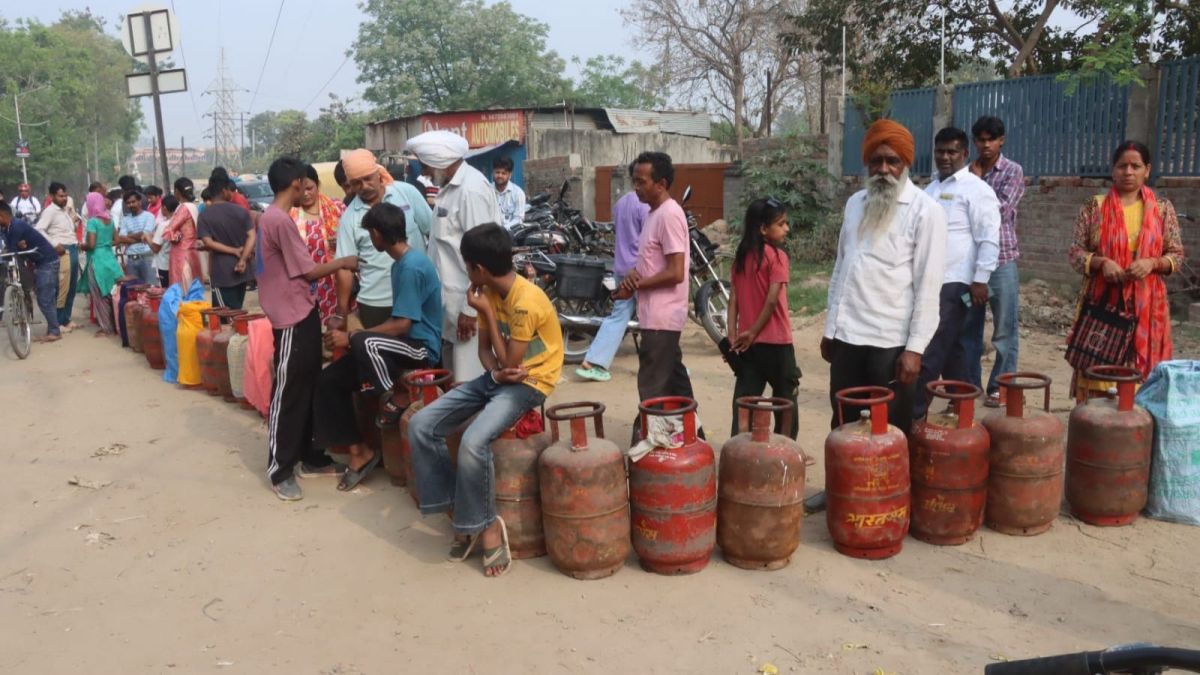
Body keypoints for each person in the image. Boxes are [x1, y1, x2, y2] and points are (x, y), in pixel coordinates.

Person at [409, 223, 563, 578]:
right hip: (499, 378)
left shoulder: (525, 302)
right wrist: (495, 374)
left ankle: (488, 525)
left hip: (531, 383)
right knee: (421, 424)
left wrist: (489, 317)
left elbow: (510, 361)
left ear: (477, 267)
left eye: (466, 265)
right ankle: (462, 513)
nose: (466, 271)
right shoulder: (486, 291)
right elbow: (486, 353)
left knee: (474, 441)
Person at [821, 119, 946, 434]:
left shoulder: (926, 211)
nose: (883, 169)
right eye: (876, 161)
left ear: (905, 163)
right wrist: (830, 328)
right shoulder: (855, 204)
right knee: (844, 427)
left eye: (893, 161)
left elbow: (929, 287)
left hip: (891, 343)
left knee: (889, 432)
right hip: (848, 338)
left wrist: (914, 350)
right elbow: (841, 268)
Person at [315, 202, 443, 491]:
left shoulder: (411, 267)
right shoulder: (400, 265)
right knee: (329, 379)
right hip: (400, 344)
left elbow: (402, 325)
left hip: (421, 349)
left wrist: (351, 337)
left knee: (362, 339)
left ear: (376, 234)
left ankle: (397, 393)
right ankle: (359, 452)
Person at [256, 157, 359, 501]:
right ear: (296, 184)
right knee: (288, 392)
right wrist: (344, 261)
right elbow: (309, 271)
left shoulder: (271, 218)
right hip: (290, 317)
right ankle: (280, 469)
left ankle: (311, 455)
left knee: (310, 385)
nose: (308, 191)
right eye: (305, 184)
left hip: (302, 310)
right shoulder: (279, 221)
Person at [1067, 141, 1184, 400]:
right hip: (1103, 305)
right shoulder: (1094, 207)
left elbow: (1176, 255)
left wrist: (1152, 263)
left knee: (1142, 383)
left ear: (1147, 170)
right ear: (1113, 170)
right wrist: (1101, 262)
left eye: (1135, 166)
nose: (1128, 172)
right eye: (1122, 166)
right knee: (1097, 374)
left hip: (1148, 307)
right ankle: (1095, 420)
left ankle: (1136, 421)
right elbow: (1075, 253)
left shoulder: (1162, 209)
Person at [914, 127, 1001, 420]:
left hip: (957, 282)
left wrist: (981, 280)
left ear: (964, 154)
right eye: (940, 151)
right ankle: (961, 402)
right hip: (928, 280)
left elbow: (988, 238)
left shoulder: (977, 190)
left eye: (952, 152)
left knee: (932, 344)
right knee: (954, 344)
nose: (945, 157)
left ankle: (914, 411)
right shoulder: (929, 190)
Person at [406, 130, 504, 383]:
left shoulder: (470, 190)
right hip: (450, 303)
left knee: (469, 378)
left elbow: (483, 255)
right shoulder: (449, 188)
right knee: (454, 377)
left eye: (425, 165)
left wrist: (469, 310)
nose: (424, 173)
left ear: (440, 161)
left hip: (467, 304)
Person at [616, 152, 697, 409]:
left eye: (641, 182)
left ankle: (650, 431)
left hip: (663, 316)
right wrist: (633, 277)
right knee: (675, 382)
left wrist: (638, 284)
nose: (636, 188)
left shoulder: (669, 215)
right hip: (654, 315)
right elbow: (653, 264)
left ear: (661, 184)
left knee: (652, 386)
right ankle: (693, 429)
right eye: (634, 181)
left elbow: (675, 272)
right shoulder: (654, 213)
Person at [961, 116, 1026, 408]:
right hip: (969, 265)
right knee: (968, 326)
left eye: (992, 140)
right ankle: (969, 385)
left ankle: (1000, 386)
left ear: (1001, 141)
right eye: (981, 140)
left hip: (1001, 263)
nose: (986, 145)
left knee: (1004, 329)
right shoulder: (965, 172)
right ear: (975, 142)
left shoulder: (1012, 171)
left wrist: (975, 184)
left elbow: (999, 211)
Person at [333, 149, 432, 332]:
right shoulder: (349, 218)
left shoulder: (406, 193)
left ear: (378, 173)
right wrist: (341, 313)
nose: (364, 186)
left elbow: (432, 232)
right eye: (356, 183)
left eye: (368, 178)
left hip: (418, 294)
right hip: (377, 302)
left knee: (422, 346)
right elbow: (345, 268)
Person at [727, 197, 800, 438]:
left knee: (744, 402)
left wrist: (733, 336)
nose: (786, 228)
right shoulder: (777, 257)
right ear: (762, 229)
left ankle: (738, 448)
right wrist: (753, 332)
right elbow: (771, 300)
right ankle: (786, 449)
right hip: (777, 343)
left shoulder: (740, 258)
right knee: (785, 401)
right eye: (781, 223)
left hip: (748, 346)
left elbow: (733, 300)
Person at [576, 163, 649, 382]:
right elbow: (649, 241)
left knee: (618, 316)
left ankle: (593, 361)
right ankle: (665, 367)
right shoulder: (646, 206)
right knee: (651, 318)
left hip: (621, 266)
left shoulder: (621, 203)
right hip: (639, 270)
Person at [0, 200, 61, 342]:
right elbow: (10, 247)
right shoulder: (6, 228)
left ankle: (55, 331)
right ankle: (53, 328)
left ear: (2, 215)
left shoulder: (16, 226)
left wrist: (15, 248)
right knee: (45, 297)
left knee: (44, 299)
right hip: (40, 262)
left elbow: (11, 250)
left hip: (47, 262)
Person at [290, 164, 344, 323]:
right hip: (304, 285)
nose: (305, 194)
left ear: (318, 184)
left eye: (309, 188)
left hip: (336, 283)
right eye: (301, 190)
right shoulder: (290, 215)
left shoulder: (336, 209)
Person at [197, 176, 256, 309]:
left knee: (223, 315)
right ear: (224, 191)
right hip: (242, 271)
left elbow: (208, 242)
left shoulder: (205, 215)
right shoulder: (240, 211)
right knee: (237, 309)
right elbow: (252, 236)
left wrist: (233, 251)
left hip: (221, 272)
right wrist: (243, 259)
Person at [34, 182, 79, 330]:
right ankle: (58, 322)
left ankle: (66, 319)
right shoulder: (50, 211)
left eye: (65, 195)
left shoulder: (64, 210)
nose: (64, 198)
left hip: (72, 247)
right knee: (62, 287)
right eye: (60, 196)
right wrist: (54, 244)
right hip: (62, 250)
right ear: (52, 196)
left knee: (72, 287)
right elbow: (39, 229)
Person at [79, 192, 124, 337]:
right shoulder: (109, 220)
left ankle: (106, 327)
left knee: (99, 295)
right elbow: (117, 240)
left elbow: (91, 245)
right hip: (110, 259)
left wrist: (81, 246)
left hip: (97, 260)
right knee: (112, 292)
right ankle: (117, 324)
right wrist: (105, 244)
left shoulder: (93, 222)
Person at [165, 178, 203, 289]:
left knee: (181, 287)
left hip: (181, 253)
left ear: (177, 191)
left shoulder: (183, 208)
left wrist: (176, 236)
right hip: (192, 251)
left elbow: (169, 230)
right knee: (192, 285)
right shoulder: (194, 207)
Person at [116, 190, 158, 286]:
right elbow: (121, 237)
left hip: (147, 258)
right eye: (128, 203)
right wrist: (140, 236)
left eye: (133, 202)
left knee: (150, 288)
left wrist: (129, 235)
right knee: (132, 290)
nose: (131, 205)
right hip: (131, 259)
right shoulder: (125, 219)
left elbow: (145, 234)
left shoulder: (149, 216)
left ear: (140, 201)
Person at [492, 156, 526, 230]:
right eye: (497, 172)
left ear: (510, 175)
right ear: (493, 172)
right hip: (490, 233)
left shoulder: (518, 193)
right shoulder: (487, 191)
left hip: (511, 234)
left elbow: (518, 219)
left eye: (503, 173)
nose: (500, 176)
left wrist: (502, 230)